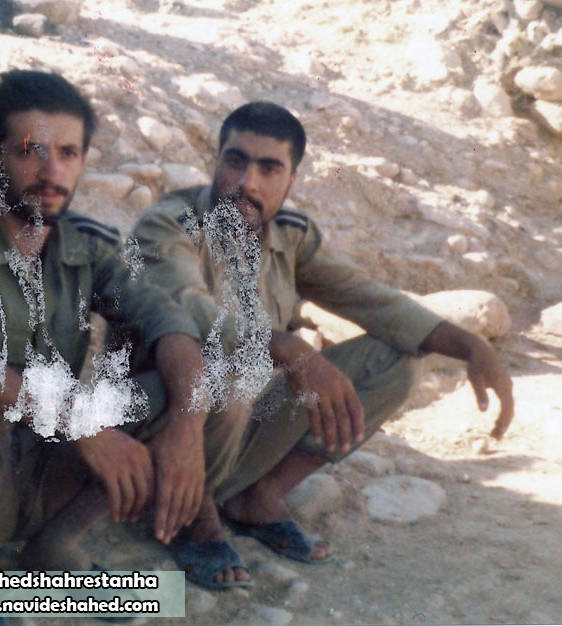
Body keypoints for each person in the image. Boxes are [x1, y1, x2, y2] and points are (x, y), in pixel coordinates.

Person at [122, 101, 515, 588]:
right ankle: (193, 517)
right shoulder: (168, 224)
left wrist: (473, 346)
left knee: (398, 361)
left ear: (291, 181)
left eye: (269, 169)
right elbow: (189, 313)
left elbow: (372, 300)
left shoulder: (289, 236)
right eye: (235, 160)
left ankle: (257, 496)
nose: (247, 182)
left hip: (236, 419)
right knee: (229, 370)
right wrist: (289, 347)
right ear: (216, 160)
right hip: (163, 424)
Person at [0, 69, 212, 573]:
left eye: (68, 153)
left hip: (46, 470)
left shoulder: (89, 246)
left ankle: (56, 541)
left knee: (170, 379)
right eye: (29, 151)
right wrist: (80, 421)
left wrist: (188, 428)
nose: (51, 170)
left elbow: (167, 320)